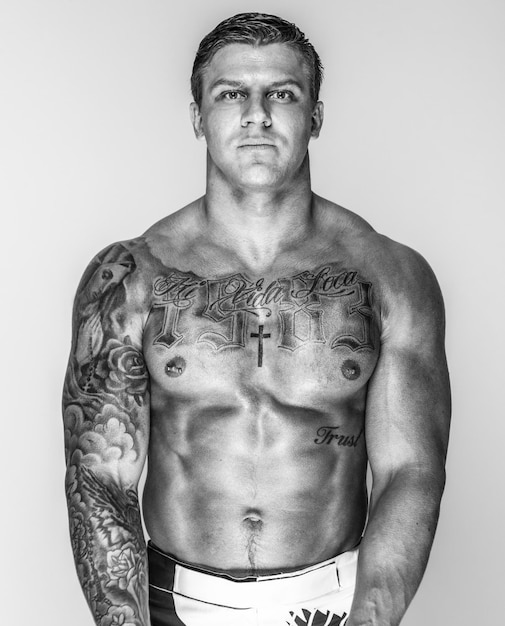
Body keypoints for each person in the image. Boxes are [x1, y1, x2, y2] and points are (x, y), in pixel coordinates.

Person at [63, 12, 451, 626]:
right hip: (166, 605)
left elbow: (412, 470)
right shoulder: (131, 277)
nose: (256, 113)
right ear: (198, 117)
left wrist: (370, 617)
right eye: (230, 93)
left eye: (282, 93)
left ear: (316, 115)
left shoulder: (391, 276)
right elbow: (99, 478)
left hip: (336, 605)